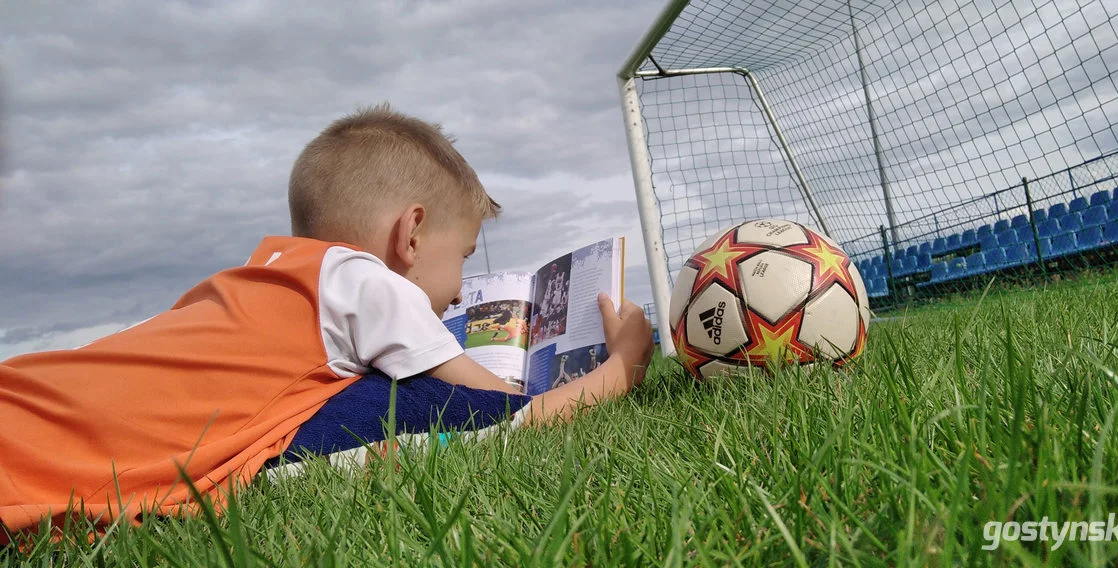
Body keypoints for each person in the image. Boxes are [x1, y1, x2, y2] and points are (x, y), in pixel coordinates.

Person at [0, 104, 654, 544]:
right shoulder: (367, 282)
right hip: (35, 455)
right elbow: (491, 409)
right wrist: (619, 369)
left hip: (30, 403)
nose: (458, 294)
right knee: (437, 407)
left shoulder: (255, 284)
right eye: (463, 257)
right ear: (411, 234)